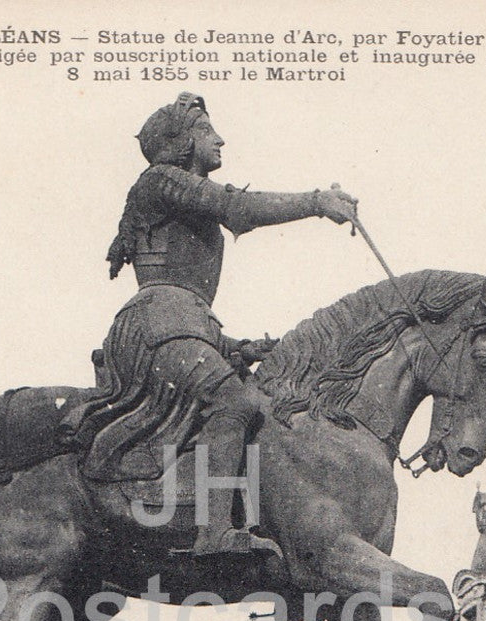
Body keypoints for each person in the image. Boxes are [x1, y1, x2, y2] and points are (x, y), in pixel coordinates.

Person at [100, 92, 357, 557]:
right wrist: (317, 202)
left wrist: (237, 346)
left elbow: (189, 298)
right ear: (181, 142)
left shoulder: (169, 189)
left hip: (184, 325)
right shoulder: (160, 180)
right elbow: (238, 209)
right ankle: (213, 531)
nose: (219, 140)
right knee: (232, 400)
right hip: (159, 325)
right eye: (206, 132)